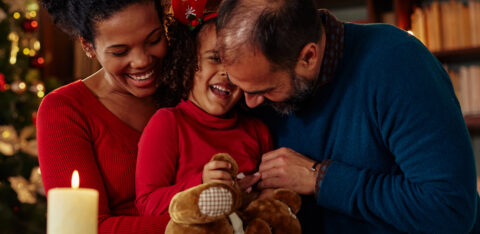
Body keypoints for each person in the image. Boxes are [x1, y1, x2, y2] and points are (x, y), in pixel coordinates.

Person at [215, 0, 480, 233]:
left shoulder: (397, 63)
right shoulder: (258, 82)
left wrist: (319, 179)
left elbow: (450, 210)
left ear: (308, 57)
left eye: (265, 90)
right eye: (242, 88)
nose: (248, 102)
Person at [37, 0, 178, 232]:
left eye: (153, 39)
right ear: (88, 46)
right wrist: (204, 224)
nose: (142, 61)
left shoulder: (189, 85)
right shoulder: (65, 110)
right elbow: (85, 227)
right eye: (120, 51)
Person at [135, 3, 272, 216]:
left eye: (236, 62)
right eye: (215, 58)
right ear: (188, 61)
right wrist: (201, 184)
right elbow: (147, 205)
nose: (226, 73)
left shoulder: (257, 130)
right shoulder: (168, 123)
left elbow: (269, 197)